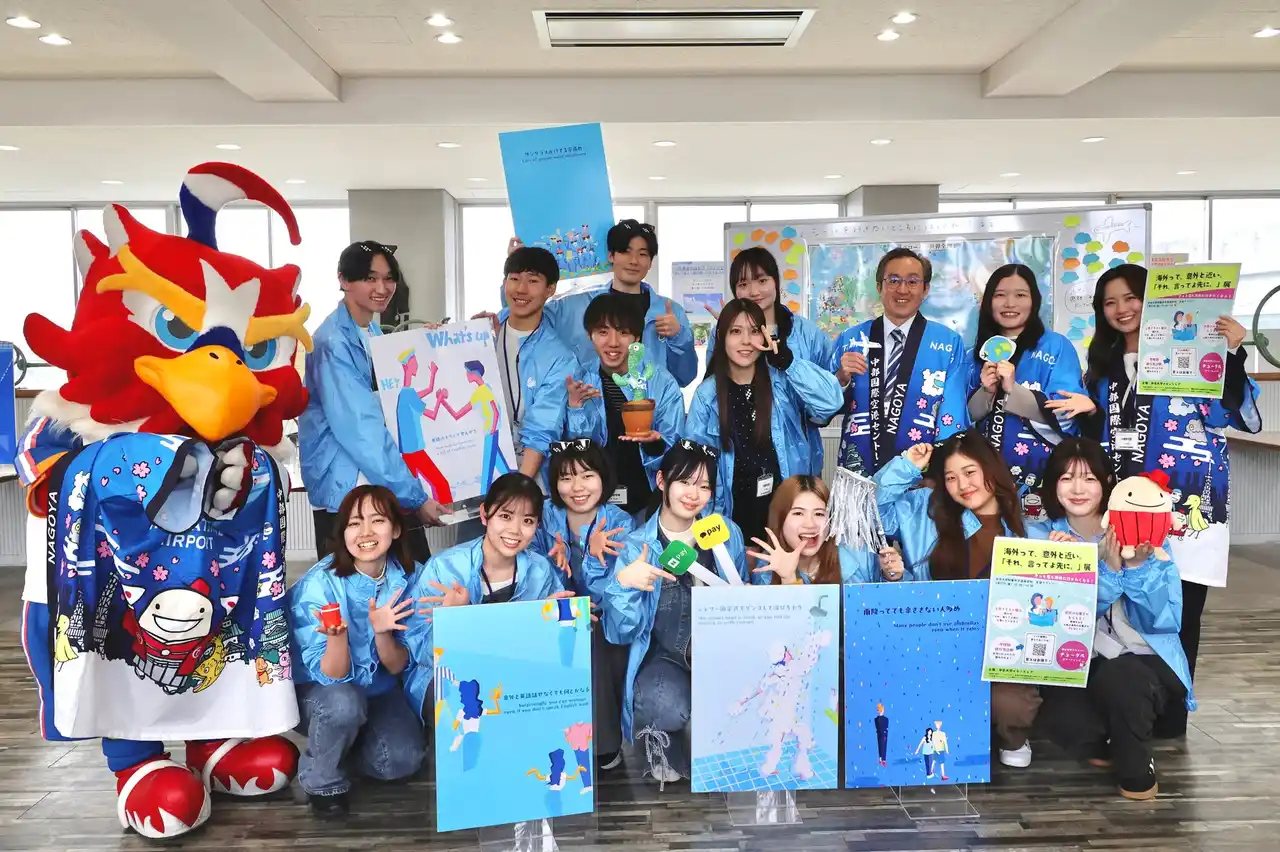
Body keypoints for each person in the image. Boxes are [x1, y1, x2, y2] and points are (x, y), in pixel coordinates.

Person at [1080, 263, 1260, 735]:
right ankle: (1127, 712)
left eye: (1131, 298)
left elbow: (1231, 409)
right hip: (1121, 507)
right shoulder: (1100, 370)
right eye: (1110, 302)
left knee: (1180, 611)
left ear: (1154, 300)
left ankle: (1172, 715)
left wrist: (1234, 351)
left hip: (1188, 507)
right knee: (1121, 609)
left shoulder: (1198, 354)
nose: (1121, 310)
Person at [1028, 438, 1194, 800]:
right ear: (1052, 484)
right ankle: (1107, 738)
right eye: (1066, 478)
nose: (1077, 489)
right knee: (1064, 721)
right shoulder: (1037, 536)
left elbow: (1165, 620)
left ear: (1106, 484)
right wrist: (1060, 569)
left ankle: (1137, 772)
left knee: (1123, 678)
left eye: (1089, 478)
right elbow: (1040, 612)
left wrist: (1132, 568)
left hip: (1145, 660)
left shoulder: (1143, 532)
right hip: (1077, 660)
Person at [873, 431, 1041, 767]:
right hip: (935, 644)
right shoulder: (926, 511)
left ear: (991, 468)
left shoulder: (1030, 528)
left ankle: (1012, 736)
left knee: (1009, 703)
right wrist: (907, 466)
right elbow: (870, 507)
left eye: (969, 472)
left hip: (1001, 651)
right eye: (950, 477)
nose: (962, 484)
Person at [603, 441, 751, 785]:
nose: (693, 493)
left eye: (703, 485)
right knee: (663, 705)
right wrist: (624, 585)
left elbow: (743, 600)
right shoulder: (638, 545)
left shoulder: (726, 535)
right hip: (664, 658)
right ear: (661, 481)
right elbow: (620, 632)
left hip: (718, 652)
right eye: (684, 481)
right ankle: (665, 745)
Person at [287, 485, 427, 818]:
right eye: (353, 523)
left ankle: (341, 746)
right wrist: (337, 637)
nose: (365, 532)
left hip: (378, 691)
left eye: (377, 521)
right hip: (322, 693)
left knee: (401, 761)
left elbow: (399, 665)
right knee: (343, 705)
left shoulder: (412, 577)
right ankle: (322, 780)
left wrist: (381, 633)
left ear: (394, 529)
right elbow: (331, 675)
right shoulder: (320, 584)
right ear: (343, 534)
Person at [300, 240, 445, 563]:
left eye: (389, 278)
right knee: (355, 591)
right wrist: (414, 496)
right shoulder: (333, 342)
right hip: (350, 490)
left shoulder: (371, 333)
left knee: (407, 584)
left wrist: (433, 346)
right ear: (344, 280)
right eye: (370, 278)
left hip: (380, 481)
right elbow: (360, 429)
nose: (382, 287)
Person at [401, 473, 568, 723]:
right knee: (459, 698)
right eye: (505, 516)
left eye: (528, 520)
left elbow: (547, 647)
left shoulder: (540, 570)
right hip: (448, 677)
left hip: (513, 672)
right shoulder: (443, 569)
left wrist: (556, 622)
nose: (515, 530)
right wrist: (453, 620)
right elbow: (418, 650)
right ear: (484, 514)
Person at [684, 299, 843, 548]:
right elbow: (695, 467)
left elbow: (831, 402)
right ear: (721, 337)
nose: (746, 341)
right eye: (736, 331)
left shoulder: (783, 382)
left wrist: (788, 362)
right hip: (731, 518)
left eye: (755, 330)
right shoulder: (707, 395)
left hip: (787, 516)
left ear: (766, 335)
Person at [531, 438, 635, 770]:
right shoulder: (544, 517)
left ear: (603, 478)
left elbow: (617, 593)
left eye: (587, 475)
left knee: (595, 635)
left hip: (604, 617)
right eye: (566, 477)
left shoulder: (620, 522)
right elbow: (532, 574)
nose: (577, 487)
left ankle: (604, 743)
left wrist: (589, 555)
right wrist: (554, 565)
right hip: (552, 613)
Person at [829, 247, 970, 474]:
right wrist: (841, 378)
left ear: (925, 290)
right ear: (879, 287)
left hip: (921, 472)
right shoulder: (851, 340)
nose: (902, 289)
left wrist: (941, 471)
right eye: (893, 280)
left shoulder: (948, 343)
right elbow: (822, 409)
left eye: (913, 282)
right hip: (858, 469)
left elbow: (951, 415)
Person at [966, 264, 1088, 508]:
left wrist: (1014, 390)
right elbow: (960, 417)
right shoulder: (974, 354)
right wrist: (986, 393)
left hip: (1041, 478)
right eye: (1000, 295)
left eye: (1020, 295)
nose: (1010, 303)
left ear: (1035, 301)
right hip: (982, 482)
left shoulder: (1056, 347)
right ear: (988, 301)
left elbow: (1067, 413)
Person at [706, 247, 837, 470]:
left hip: (798, 460)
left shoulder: (806, 333)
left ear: (776, 282)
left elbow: (827, 400)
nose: (754, 291)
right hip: (739, 456)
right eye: (743, 284)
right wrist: (729, 336)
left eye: (762, 280)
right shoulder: (720, 332)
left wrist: (788, 362)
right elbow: (712, 391)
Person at [565, 293, 686, 519]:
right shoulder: (580, 381)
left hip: (650, 502)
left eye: (623, 332)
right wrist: (575, 409)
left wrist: (655, 444)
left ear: (637, 338)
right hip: (595, 505)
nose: (613, 342)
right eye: (603, 332)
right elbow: (574, 454)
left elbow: (676, 451)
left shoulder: (660, 382)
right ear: (590, 336)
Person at [538, 220, 698, 386]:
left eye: (642, 254)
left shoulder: (670, 312)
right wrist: (522, 266)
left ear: (650, 262)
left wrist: (678, 337)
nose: (634, 261)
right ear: (611, 256)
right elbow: (524, 319)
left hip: (651, 409)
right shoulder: (576, 306)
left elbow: (684, 377)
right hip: (592, 406)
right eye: (625, 252)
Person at [475, 246, 580, 484]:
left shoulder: (560, 357)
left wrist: (520, 488)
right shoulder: (481, 333)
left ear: (550, 289)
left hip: (531, 480)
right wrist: (436, 338)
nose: (521, 289)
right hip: (475, 470)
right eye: (514, 279)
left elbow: (543, 427)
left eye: (532, 281)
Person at [756, 475, 905, 585]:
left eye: (819, 514)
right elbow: (798, 625)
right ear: (780, 520)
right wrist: (788, 580)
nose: (810, 524)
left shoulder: (859, 553)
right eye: (798, 513)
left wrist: (893, 576)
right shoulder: (767, 568)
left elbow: (889, 613)